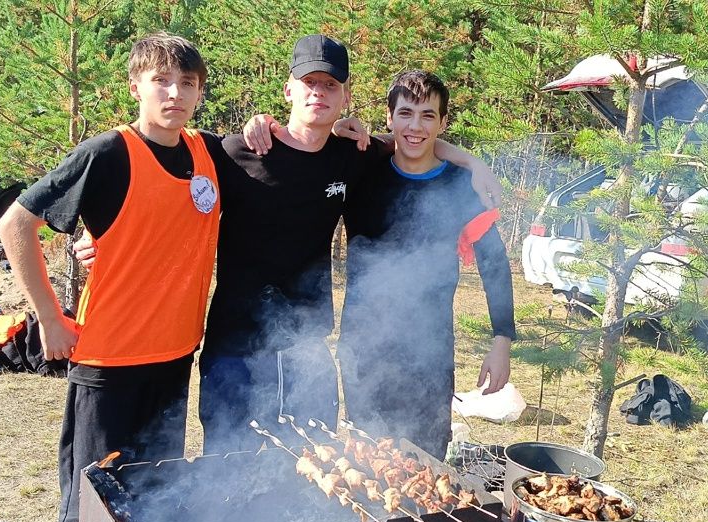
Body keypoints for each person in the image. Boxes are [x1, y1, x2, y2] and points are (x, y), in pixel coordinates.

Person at [74, 35, 502, 456]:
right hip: (234, 349)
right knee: (227, 466)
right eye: (309, 82)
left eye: (330, 85)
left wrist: (471, 161)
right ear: (288, 90)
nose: (319, 92)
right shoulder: (237, 150)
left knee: (312, 466)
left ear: (345, 97)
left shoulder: (351, 154)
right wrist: (101, 232)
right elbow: (167, 182)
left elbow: (411, 141)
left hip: (307, 351)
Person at [0, 32, 227, 522]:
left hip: (175, 356)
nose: (175, 93)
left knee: (156, 493)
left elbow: (278, 148)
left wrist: (344, 131)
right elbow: (15, 225)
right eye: (161, 81)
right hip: (109, 361)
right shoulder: (107, 154)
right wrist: (50, 317)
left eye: (187, 83)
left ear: (199, 92)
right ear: (135, 87)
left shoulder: (206, 151)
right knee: (92, 504)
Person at [339, 70, 515, 459]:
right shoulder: (362, 173)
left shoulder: (462, 186)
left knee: (427, 466)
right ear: (389, 118)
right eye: (405, 113)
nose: (415, 127)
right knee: (368, 464)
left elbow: (494, 263)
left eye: (428, 116)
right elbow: (320, 141)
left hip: (430, 356)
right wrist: (337, 126)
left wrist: (501, 340)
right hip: (363, 351)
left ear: (443, 122)